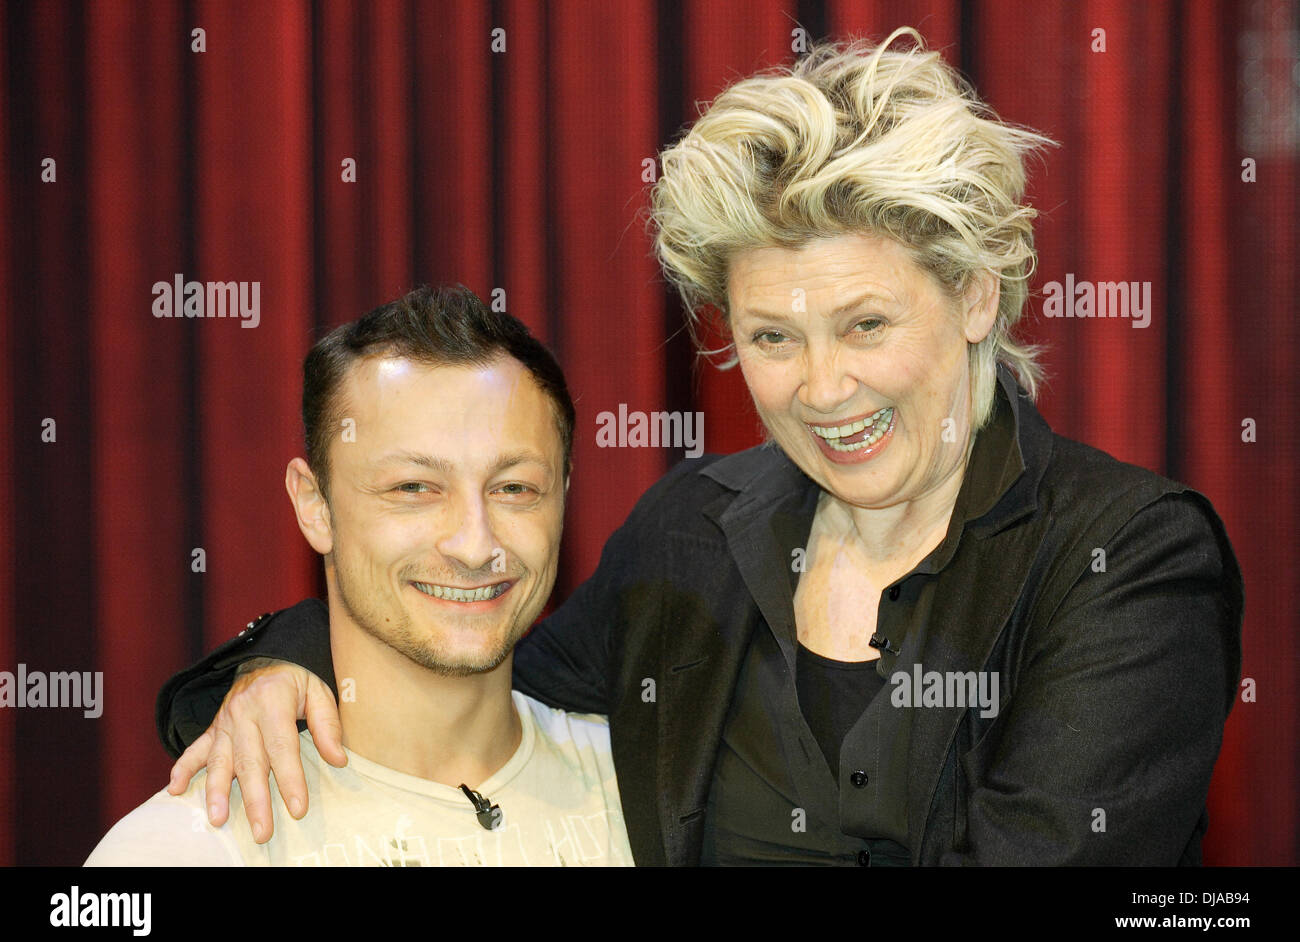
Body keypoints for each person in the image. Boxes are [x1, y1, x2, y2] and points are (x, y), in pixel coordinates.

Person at [157, 29, 1243, 866]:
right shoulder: (692, 531)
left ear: (973, 295)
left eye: (865, 324)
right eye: (773, 337)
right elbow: (475, 662)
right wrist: (287, 660)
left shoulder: (1126, 557)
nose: (822, 387)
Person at [87, 286, 632, 866]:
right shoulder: (180, 850)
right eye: (414, 489)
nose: (476, 545)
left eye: (515, 489)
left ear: (564, 496)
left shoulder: (656, 790)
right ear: (314, 505)